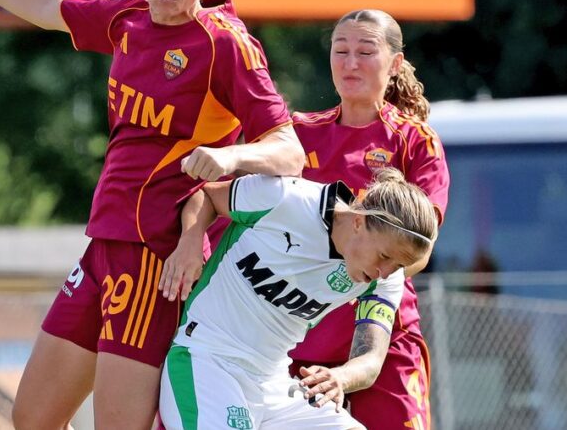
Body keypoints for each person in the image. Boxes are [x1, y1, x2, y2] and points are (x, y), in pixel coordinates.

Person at [0, 0, 306, 430]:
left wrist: (231, 158)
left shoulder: (225, 44)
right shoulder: (129, 19)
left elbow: (289, 149)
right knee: (34, 417)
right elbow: (49, 7)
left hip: (156, 257)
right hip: (104, 245)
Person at [157, 168, 439, 430]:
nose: (385, 272)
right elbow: (207, 194)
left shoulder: (383, 279)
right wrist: (190, 243)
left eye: (399, 265)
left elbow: (371, 359)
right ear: (358, 222)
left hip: (275, 384)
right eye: (385, 256)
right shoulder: (288, 199)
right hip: (207, 361)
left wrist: (341, 377)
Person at [286, 8, 450, 430]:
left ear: (395, 63)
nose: (350, 62)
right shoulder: (297, 134)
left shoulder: (414, 140)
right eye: (340, 50)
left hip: (385, 335)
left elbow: (420, 248)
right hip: (299, 337)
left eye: (365, 51)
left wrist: (375, 273)